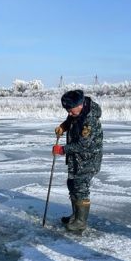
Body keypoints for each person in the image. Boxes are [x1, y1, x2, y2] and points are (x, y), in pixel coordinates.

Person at [53, 89, 103, 232]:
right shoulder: (78, 112)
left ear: (80, 105)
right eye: (67, 110)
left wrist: (62, 150)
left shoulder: (89, 120)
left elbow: (83, 145)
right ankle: (75, 215)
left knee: (80, 188)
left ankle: (80, 222)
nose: (69, 113)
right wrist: (64, 126)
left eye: (70, 110)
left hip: (88, 159)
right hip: (76, 159)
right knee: (72, 184)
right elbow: (71, 120)